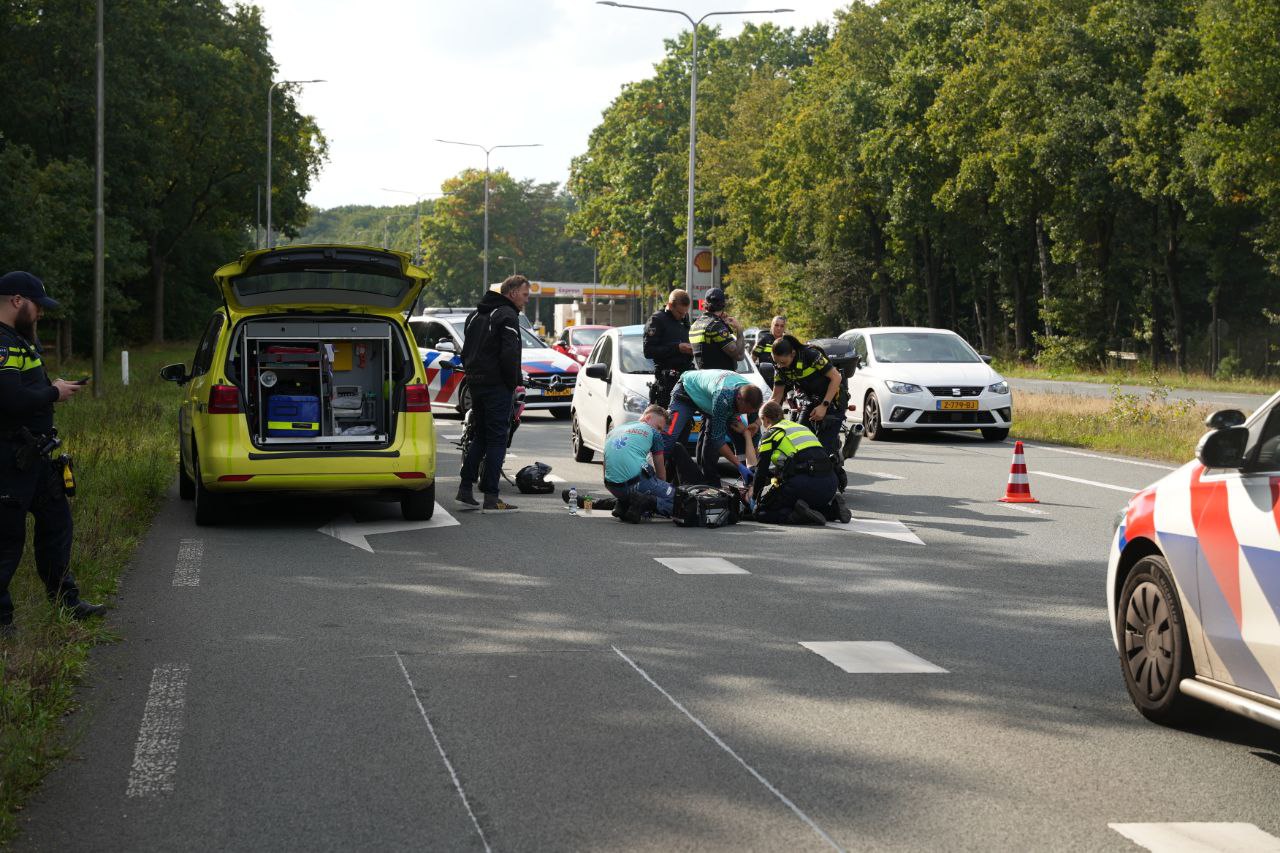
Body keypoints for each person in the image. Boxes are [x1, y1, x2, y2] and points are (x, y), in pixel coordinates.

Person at [0, 271, 104, 639]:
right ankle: (3, 623)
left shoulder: (21, 340)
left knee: (57, 527)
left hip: (37, 456)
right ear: (16, 301)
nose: (41, 313)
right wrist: (53, 393)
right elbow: (8, 398)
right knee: (7, 541)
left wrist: (54, 387)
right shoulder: (2, 342)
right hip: (9, 459)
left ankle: (66, 601)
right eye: (37, 306)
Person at [456, 274, 530, 511]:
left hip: (475, 384)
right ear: (512, 293)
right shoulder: (507, 315)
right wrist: (513, 382)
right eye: (525, 294)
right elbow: (510, 354)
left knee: (481, 436)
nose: (526, 300)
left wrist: (473, 376)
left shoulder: (476, 314)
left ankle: (465, 488)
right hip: (497, 386)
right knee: (498, 439)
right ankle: (491, 495)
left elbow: (465, 351)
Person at [769, 335, 848, 491]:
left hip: (832, 402)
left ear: (792, 353)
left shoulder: (810, 355)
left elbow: (836, 377)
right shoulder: (780, 366)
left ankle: (835, 471)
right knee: (798, 445)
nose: (780, 366)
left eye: (783, 362)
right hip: (810, 402)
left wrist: (824, 406)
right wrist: (761, 416)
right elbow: (776, 396)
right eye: (776, 362)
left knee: (821, 452)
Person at [750, 401, 850, 525]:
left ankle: (797, 516)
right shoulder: (802, 428)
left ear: (765, 419)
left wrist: (755, 498)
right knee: (803, 504)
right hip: (830, 485)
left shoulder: (771, 434)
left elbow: (761, 470)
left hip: (805, 484)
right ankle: (832, 510)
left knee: (761, 512)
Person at [664, 368, 762, 487]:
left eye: (749, 412)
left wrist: (754, 469)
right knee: (669, 438)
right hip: (686, 392)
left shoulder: (752, 396)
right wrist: (739, 466)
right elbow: (718, 439)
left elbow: (755, 437)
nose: (744, 414)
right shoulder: (723, 398)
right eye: (744, 411)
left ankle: (712, 483)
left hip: (710, 398)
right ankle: (658, 480)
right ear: (739, 399)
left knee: (737, 436)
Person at [602, 405, 677, 521]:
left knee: (642, 466)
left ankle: (624, 504)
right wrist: (660, 493)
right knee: (678, 498)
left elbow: (605, 463)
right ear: (648, 417)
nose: (659, 432)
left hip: (611, 486)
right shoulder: (653, 433)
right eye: (659, 427)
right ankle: (645, 502)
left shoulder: (615, 430)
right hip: (634, 483)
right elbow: (661, 473)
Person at [642, 289, 693, 407]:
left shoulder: (684, 317)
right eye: (680, 313)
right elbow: (648, 351)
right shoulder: (657, 320)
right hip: (666, 382)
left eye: (685, 312)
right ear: (670, 305)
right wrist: (677, 348)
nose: (683, 316)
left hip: (685, 377)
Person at [689, 288, 746, 371]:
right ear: (723, 304)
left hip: (703, 379)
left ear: (705, 303)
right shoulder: (716, 326)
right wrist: (739, 329)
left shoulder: (694, 325)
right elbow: (739, 355)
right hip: (722, 379)